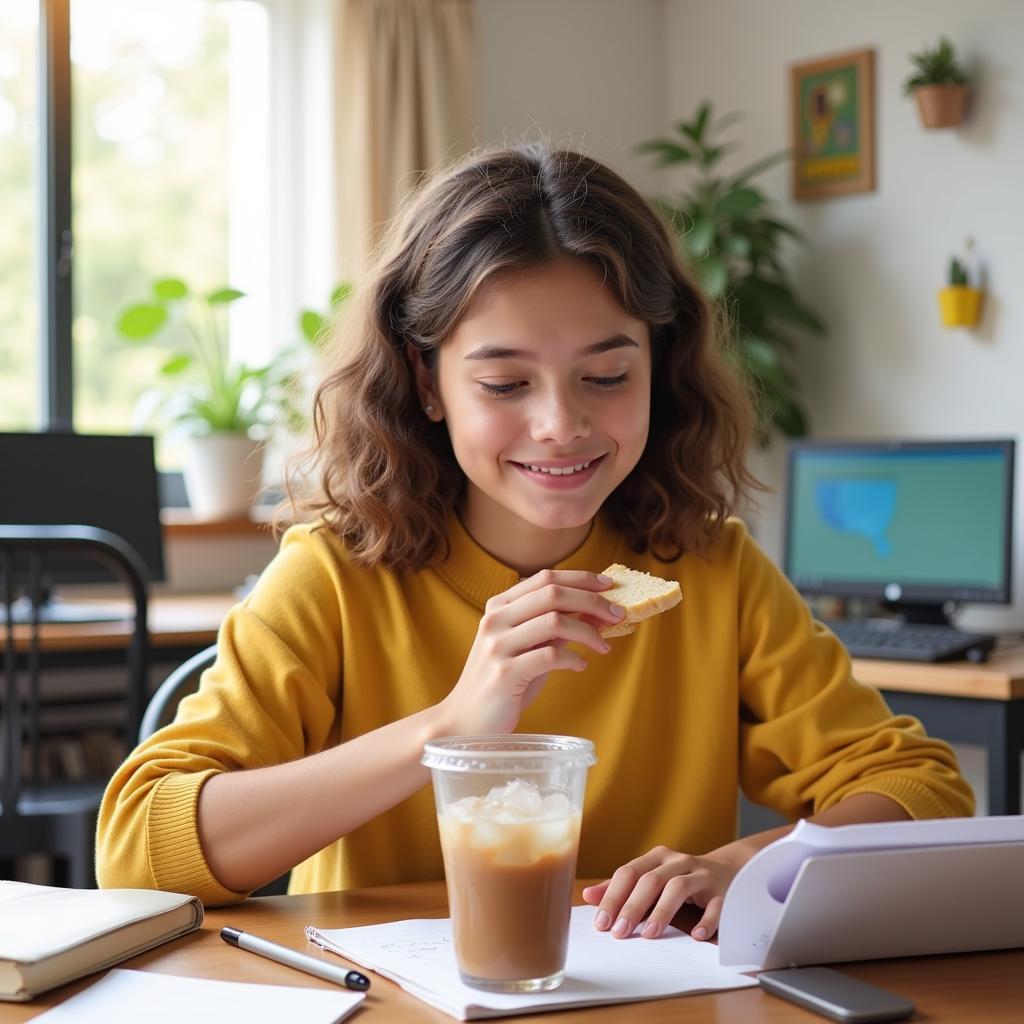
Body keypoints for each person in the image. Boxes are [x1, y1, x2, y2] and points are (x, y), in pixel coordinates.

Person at [97, 143, 973, 942]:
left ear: (658, 369)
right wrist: (449, 725)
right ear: (425, 379)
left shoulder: (713, 568)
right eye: (506, 381)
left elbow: (924, 790)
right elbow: (137, 849)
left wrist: (746, 865)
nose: (561, 424)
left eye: (606, 375)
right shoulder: (333, 575)